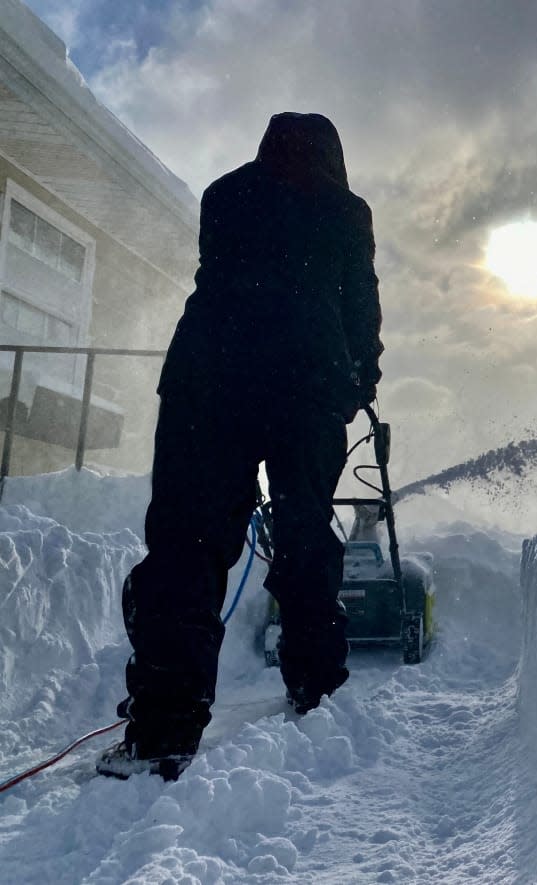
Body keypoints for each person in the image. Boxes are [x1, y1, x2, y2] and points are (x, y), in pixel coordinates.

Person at [97, 112, 383, 780]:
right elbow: (360, 309)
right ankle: (315, 689)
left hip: (208, 382)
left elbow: (232, 282)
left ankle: (163, 728)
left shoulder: (225, 195)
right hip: (307, 388)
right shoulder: (347, 211)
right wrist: (357, 384)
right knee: (306, 536)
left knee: (188, 545)